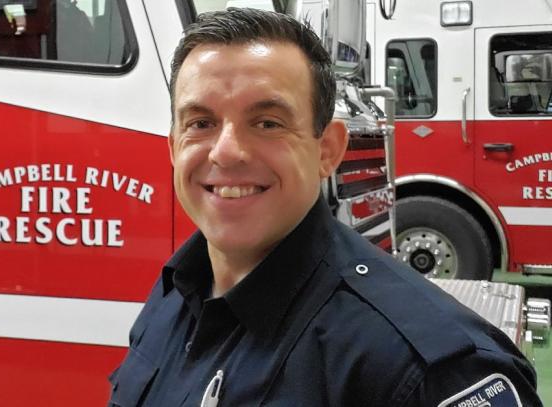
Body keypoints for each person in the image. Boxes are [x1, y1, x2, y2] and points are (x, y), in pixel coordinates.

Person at [107, 8, 542, 407]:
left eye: (267, 123)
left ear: (328, 150)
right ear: (173, 147)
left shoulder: (425, 374)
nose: (226, 151)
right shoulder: (174, 295)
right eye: (201, 123)